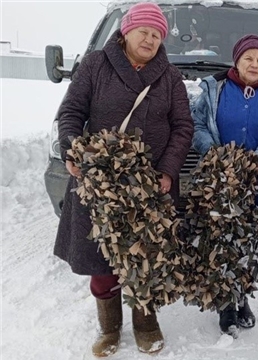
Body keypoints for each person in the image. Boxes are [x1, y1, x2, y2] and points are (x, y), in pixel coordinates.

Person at [53, 2, 194, 357]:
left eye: (157, 34)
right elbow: (71, 112)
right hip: (101, 180)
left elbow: (183, 127)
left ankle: (146, 323)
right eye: (144, 31)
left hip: (149, 184)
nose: (149, 39)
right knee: (101, 255)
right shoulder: (96, 65)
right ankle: (109, 327)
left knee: (145, 254)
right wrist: (74, 149)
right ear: (126, 31)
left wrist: (167, 170)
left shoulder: (170, 76)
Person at [191, 34, 258, 337]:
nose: (254, 64)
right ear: (236, 60)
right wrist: (215, 154)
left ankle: (242, 297)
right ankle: (225, 304)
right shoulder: (214, 89)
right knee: (222, 241)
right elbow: (196, 126)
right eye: (249, 57)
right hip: (219, 181)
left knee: (249, 242)